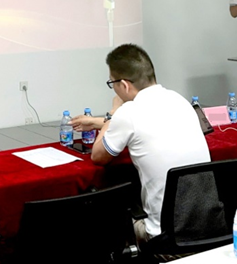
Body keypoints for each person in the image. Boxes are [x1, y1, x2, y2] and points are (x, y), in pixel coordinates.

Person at [70, 44, 210, 243]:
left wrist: (112, 113)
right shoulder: (180, 100)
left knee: (96, 218)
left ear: (124, 85)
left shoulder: (128, 112)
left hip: (164, 239)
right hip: (208, 229)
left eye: (112, 83)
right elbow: (151, 123)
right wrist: (98, 121)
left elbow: (98, 156)